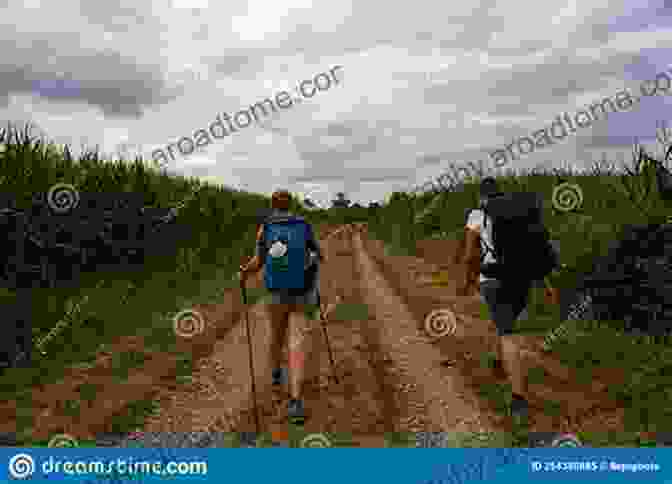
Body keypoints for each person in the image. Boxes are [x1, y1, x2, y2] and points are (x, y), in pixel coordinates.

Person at [239, 189, 324, 424]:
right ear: (291, 204)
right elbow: (317, 254)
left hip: (276, 293)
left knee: (276, 337)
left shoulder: (265, 228)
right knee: (297, 343)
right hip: (302, 291)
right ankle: (295, 400)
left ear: (273, 205)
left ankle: (276, 377)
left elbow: (258, 262)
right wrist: (314, 263)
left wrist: (244, 273)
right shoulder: (304, 225)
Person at [460, 177, 532, 418]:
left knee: (508, 334)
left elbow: (470, 255)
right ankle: (499, 364)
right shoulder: (517, 213)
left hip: (492, 280)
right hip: (521, 279)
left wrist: (467, 282)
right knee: (504, 324)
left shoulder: (476, 216)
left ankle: (518, 399)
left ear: (481, 197)